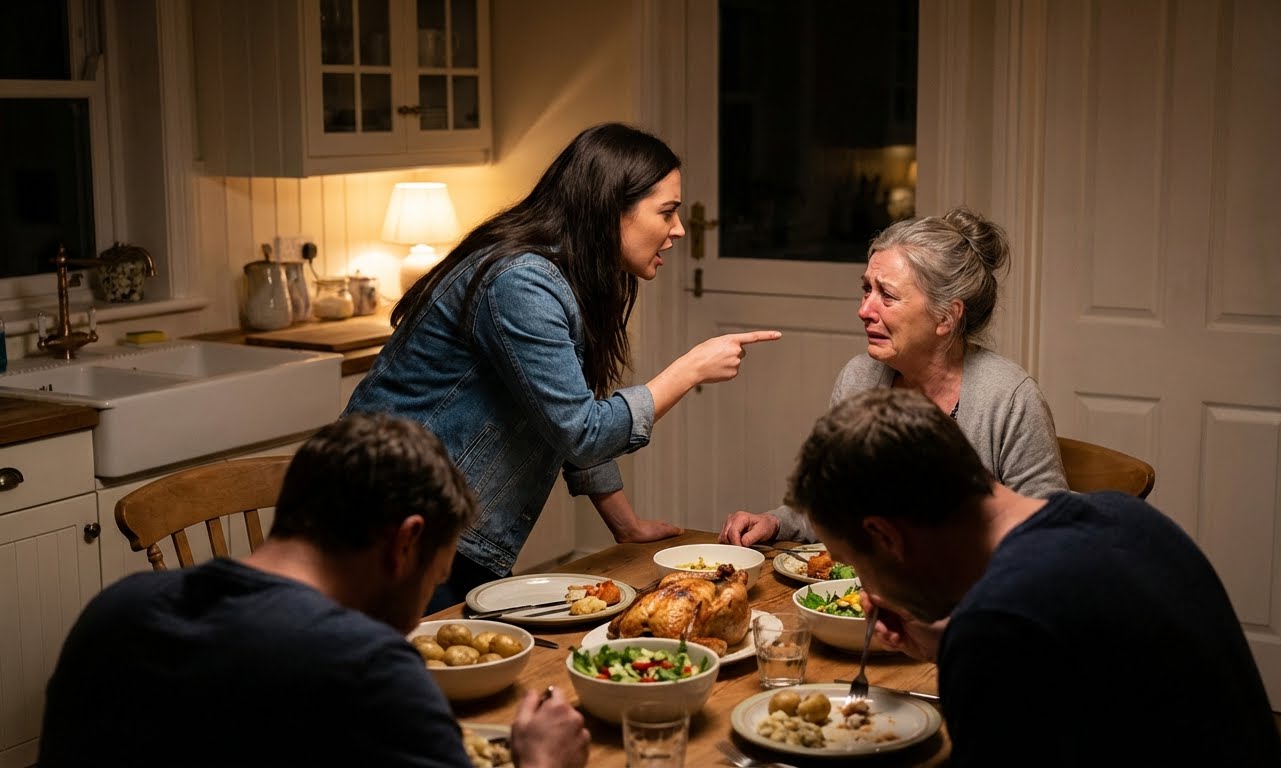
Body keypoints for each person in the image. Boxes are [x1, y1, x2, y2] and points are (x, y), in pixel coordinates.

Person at [345, 122, 780, 610]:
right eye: (666, 211)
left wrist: (625, 525)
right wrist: (689, 370)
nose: (678, 228)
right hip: (390, 526)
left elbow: (565, 411)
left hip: (436, 528)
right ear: (611, 209)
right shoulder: (522, 281)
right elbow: (582, 430)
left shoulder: (564, 276)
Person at [38, 413, 590, 768]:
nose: (418, 617)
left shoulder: (116, 612)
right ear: (405, 542)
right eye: (434, 578)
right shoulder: (369, 668)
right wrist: (541, 760)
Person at [785, 388, 1281, 767]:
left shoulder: (998, 627)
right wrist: (943, 642)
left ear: (885, 536)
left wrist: (968, 645)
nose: (869, 590)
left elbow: (1017, 634)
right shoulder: (1124, 517)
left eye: (857, 564)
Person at [719, 207, 1067, 546]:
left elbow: (1051, 532)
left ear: (946, 317)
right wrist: (777, 522)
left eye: (886, 295)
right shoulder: (859, 379)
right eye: (866, 289)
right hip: (871, 581)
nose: (864, 310)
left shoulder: (1009, 398)